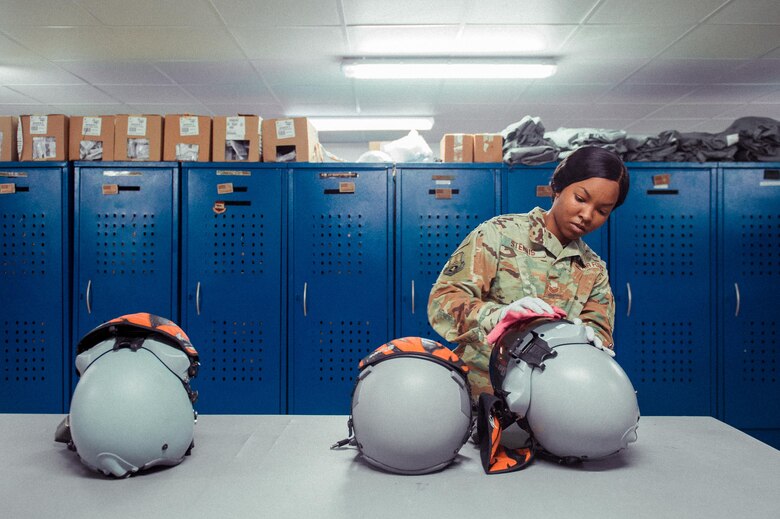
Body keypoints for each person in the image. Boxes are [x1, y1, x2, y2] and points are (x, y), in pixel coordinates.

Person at [427, 146, 630, 398]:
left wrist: (591, 341)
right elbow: (443, 301)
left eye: (602, 211)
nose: (587, 215)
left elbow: (598, 332)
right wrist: (499, 315)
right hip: (482, 396)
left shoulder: (593, 269)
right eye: (580, 198)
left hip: (552, 402)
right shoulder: (499, 234)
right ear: (558, 188)